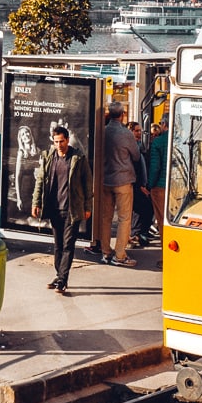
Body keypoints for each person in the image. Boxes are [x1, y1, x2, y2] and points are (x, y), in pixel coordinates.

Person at [32, 125, 93, 295]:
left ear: (67, 140)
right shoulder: (49, 157)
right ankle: (59, 275)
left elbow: (88, 185)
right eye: (56, 142)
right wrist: (36, 202)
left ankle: (62, 279)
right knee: (58, 245)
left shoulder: (78, 158)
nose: (59, 145)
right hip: (54, 208)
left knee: (68, 245)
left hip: (71, 209)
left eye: (62, 141)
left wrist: (88, 207)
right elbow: (40, 181)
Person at [97, 102, 140, 267]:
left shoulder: (103, 132)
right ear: (122, 115)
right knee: (124, 218)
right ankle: (120, 255)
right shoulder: (125, 134)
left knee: (106, 218)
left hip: (105, 179)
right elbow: (136, 156)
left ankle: (105, 252)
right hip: (122, 180)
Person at [145, 118, 169, 266]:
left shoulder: (158, 143)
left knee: (163, 223)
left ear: (163, 125)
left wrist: (149, 185)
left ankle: (167, 256)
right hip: (179, 187)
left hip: (160, 186)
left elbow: (155, 167)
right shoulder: (181, 138)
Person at [127, 121, 154, 246]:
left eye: (140, 131)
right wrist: (140, 186)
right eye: (136, 131)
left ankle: (140, 233)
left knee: (146, 208)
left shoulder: (139, 145)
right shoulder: (130, 147)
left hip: (141, 183)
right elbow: (133, 168)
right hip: (134, 184)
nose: (139, 133)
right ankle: (135, 235)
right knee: (139, 209)